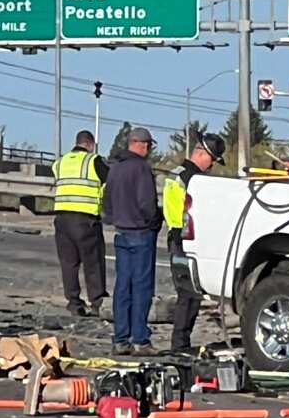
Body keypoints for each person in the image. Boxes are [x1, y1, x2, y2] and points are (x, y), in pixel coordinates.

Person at [102, 128, 161, 356]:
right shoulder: (141, 168)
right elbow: (147, 203)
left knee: (122, 286)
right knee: (142, 287)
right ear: (143, 145)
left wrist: (115, 218)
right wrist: (153, 220)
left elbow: (107, 201)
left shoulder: (115, 168)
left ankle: (120, 338)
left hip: (121, 232)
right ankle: (140, 339)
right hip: (140, 233)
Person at [165, 132, 225, 352]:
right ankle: (180, 343)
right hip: (185, 238)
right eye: (212, 160)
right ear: (202, 153)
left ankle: (181, 341)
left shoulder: (178, 173)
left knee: (189, 294)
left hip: (177, 235)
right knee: (189, 295)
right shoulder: (193, 179)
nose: (212, 165)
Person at [53, 130, 110, 317]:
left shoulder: (60, 162)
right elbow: (108, 179)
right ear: (90, 144)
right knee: (93, 262)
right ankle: (97, 301)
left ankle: (74, 302)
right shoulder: (93, 161)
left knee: (69, 263)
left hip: (62, 218)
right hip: (85, 219)